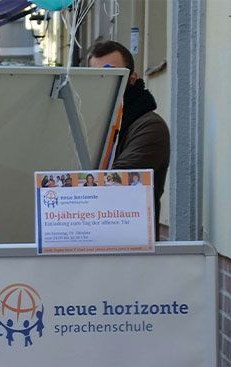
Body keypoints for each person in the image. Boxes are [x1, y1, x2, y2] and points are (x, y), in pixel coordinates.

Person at [89, 40, 170, 236]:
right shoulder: (93, 121)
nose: (105, 82)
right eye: (97, 76)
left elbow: (120, 183)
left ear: (132, 78)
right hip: (90, 237)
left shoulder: (149, 126)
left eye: (114, 74)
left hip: (130, 244)